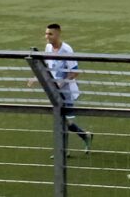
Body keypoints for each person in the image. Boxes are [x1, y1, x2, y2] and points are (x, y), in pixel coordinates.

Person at [28, 24, 93, 155]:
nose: (47, 37)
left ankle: (64, 150)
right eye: (46, 34)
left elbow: (74, 72)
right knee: (63, 120)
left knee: (63, 120)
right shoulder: (48, 47)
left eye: (50, 34)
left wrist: (60, 84)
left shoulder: (67, 50)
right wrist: (36, 77)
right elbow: (47, 65)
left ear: (58, 34)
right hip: (55, 91)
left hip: (67, 91)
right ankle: (84, 136)